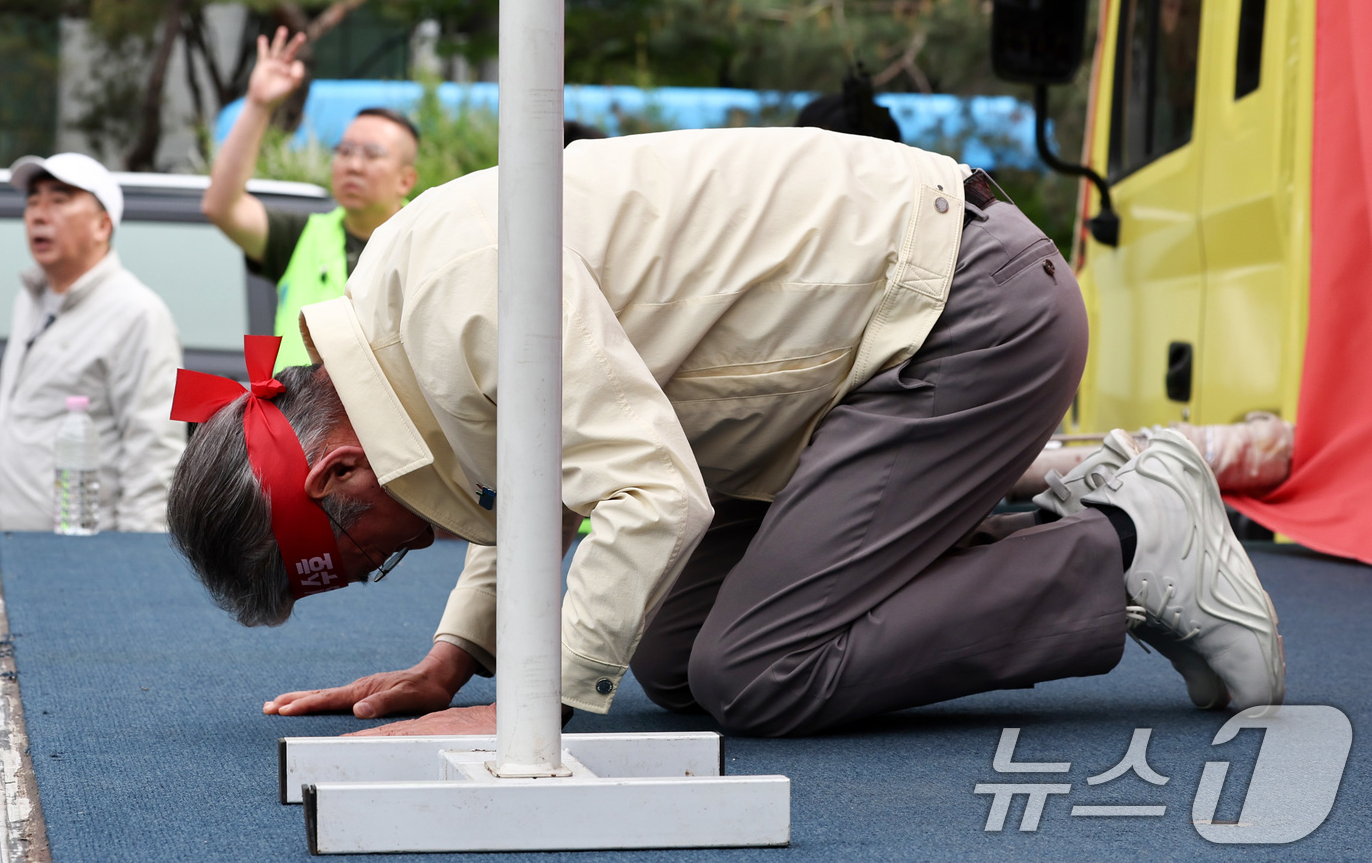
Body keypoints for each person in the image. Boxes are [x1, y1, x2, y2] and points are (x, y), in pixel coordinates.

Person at [167, 128, 1285, 738]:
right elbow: (533, 469)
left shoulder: (461, 293)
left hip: (959, 316)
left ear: (341, 466)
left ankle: (1126, 546)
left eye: (351, 561)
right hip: (883, 350)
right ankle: (1083, 524)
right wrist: (458, 658)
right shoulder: (411, 317)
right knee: (667, 655)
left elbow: (647, 494)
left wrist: (522, 718)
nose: (376, 571)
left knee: (754, 669)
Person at [0, 153, 185, 533]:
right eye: (33, 201)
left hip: (74, 557)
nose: (38, 214)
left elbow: (154, 459)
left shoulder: (137, 313)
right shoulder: (31, 297)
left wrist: (137, 565)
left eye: (59, 200)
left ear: (103, 225)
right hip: (1, 540)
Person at [201, 27, 419, 370]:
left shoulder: (427, 246)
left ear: (406, 179)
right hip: (299, 421)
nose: (353, 165)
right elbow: (221, 206)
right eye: (344, 151)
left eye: (371, 154)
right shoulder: (302, 235)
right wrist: (259, 105)